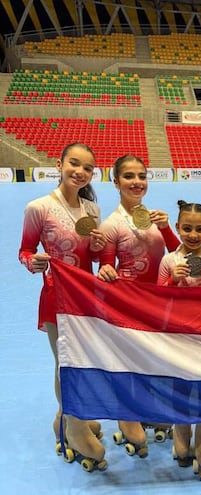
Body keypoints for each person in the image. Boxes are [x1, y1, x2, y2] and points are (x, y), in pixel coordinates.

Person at [18, 143, 108, 469]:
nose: (79, 172)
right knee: (64, 360)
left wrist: (98, 249)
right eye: (74, 163)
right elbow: (25, 251)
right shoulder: (38, 207)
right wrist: (34, 262)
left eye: (87, 168)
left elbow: (92, 259)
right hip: (56, 296)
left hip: (85, 297)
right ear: (60, 164)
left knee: (83, 360)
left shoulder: (92, 211)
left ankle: (67, 417)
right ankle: (73, 423)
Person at [97, 154, 180, 457]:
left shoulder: (157, 219)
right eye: (129, 176)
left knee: (158, 358)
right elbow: (106, 265)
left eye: (141, 176)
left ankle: (157, 410)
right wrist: (106, 271)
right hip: (129, 302)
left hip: (160, 300)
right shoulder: (111, 225)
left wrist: (168, 227)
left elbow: (178, 254)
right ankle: (131, 413)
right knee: (131, 360)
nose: (137, 182)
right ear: (115, 181)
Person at [157, 200, 201, 480]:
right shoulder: (168, 261)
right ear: (177, 228)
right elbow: (157, 299)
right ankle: (181, 432)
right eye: (187, 228)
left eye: (200, 229)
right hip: (178, 335)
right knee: (181, 388)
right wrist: (172, 281)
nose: (193, 234)